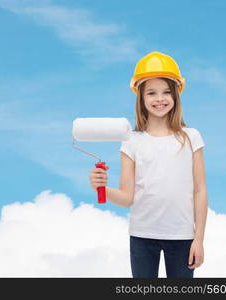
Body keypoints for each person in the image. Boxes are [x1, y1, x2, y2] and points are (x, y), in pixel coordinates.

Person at [89, 51, 208, 278]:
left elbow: (200, 190)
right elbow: (126, 197)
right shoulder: (131, 142)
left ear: (176, 95)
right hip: (142, 236)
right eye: (151, 93)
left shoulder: (191, 137)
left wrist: (199, 239)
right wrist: (101, 187)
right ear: (141, 98)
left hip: (182, 236)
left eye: (166, 92)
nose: (159, 99)